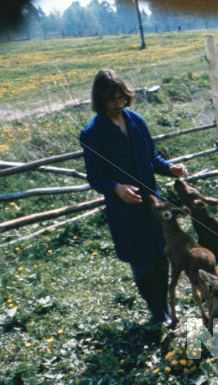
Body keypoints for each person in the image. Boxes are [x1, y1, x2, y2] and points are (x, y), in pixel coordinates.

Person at [80, 69, 189, 325]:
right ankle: (156, 311)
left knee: (162, 254)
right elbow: (95, 176)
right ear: (100, 100)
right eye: (112, 100)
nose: (118, 105)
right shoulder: (92, 134)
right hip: (124, 210)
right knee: (142, 261)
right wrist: (117, 188)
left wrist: (169, 167)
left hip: (153, 204)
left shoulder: (136, 121)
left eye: (121, 98)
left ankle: (165, 304)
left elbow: (151, 157)